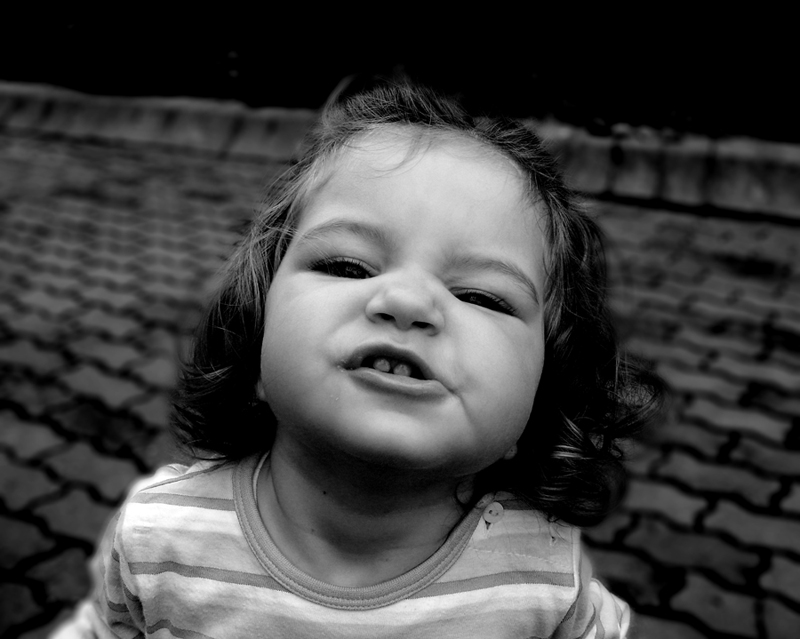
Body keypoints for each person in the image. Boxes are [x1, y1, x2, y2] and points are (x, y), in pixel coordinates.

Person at [54, 81, 663, 638]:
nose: (407, 302)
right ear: (254, 329)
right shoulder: (161, 538)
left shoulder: (546, 577)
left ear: (544, 393)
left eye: (481, 296)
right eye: (347, 266)